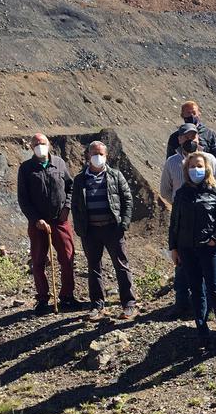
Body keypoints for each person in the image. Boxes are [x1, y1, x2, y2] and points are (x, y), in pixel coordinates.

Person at [169, 152, 216, 353]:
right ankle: (202, 334)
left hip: (209, 249)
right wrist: (173, 247)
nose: (195, 169)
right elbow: (174, 223)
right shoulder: (181, 193)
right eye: (191, 166)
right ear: (186, 171)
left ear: (206, 168)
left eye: (198, 165)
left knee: (215, 290)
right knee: (196, 291)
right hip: (186, 249)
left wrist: (215, 239)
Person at [160, 122, 216, 318]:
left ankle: (208, 308)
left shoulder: (209, 160)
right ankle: (182, 304)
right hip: (183, 223)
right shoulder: (172, 163)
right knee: (182, 265)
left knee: (208, 268)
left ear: (198, 138)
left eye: (193, 136)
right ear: (179, 139)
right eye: (186, 137)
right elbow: (165, 190)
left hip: (207, 222)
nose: (190, 140)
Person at [72, 140, 136, 322]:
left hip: (112, 228)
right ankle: (97, 305)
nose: (97, 157)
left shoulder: (115, 176)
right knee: (94, 268)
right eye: (94, 153)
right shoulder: (80, 180)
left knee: (121, 265)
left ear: (106, 156)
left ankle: (129, 304)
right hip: (90, 231)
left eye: (100, 153)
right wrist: (80, 227)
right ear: (88, 156)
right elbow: (75, 205)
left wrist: (123, 223)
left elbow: (127, 200)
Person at [17, 133, 78, 316]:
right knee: (38, 261)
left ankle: (67, 296)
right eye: (36, 143)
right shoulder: (26, 168)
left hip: (59, 220)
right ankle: (43, 299)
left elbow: (70, 187)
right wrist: (36, 220)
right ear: (31, 147)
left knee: (67, 258)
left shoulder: (59, 163)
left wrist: (67, 208)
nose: (39, 146)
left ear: (49, 144)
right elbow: (23, 199)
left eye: (42, 143)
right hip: (38, 224)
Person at [166, 100, 216, 166]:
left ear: (199, 114)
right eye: (188, 113)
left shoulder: (210, 134)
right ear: (182, 115)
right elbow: (169, 160)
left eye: (194, 113)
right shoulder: (174, 137)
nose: (191, 116)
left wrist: (214, 174)